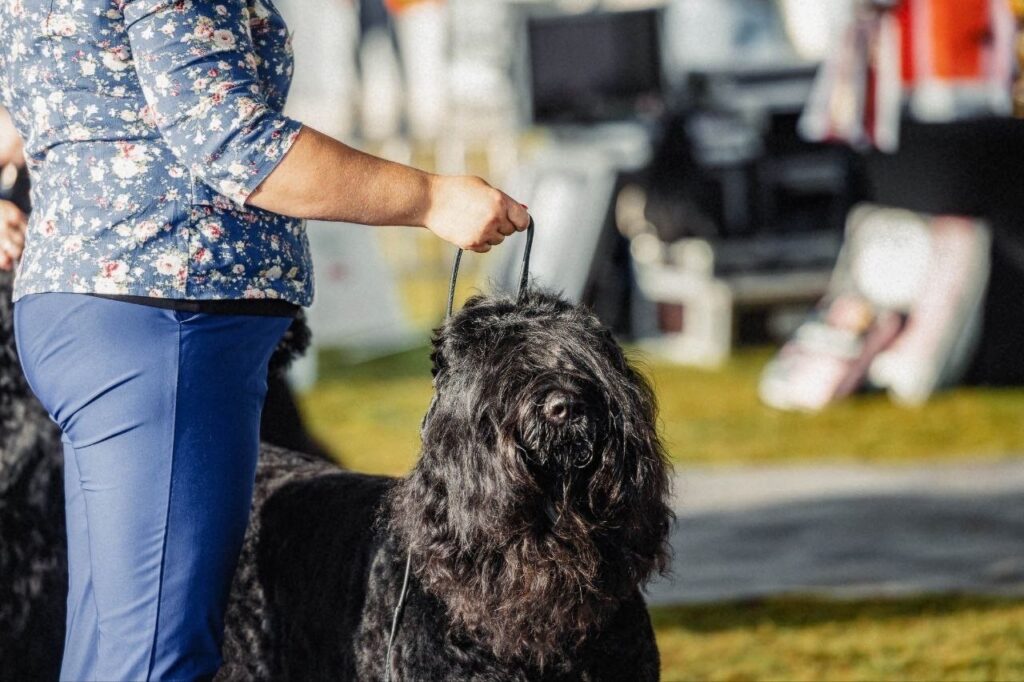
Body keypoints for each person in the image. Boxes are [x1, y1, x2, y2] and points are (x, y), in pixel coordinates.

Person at [0, 1, 529, 680]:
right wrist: (431, 198)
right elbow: (231, 137)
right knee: (156, 656)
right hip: (163, 312)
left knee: (108, 646)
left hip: (96, 306)